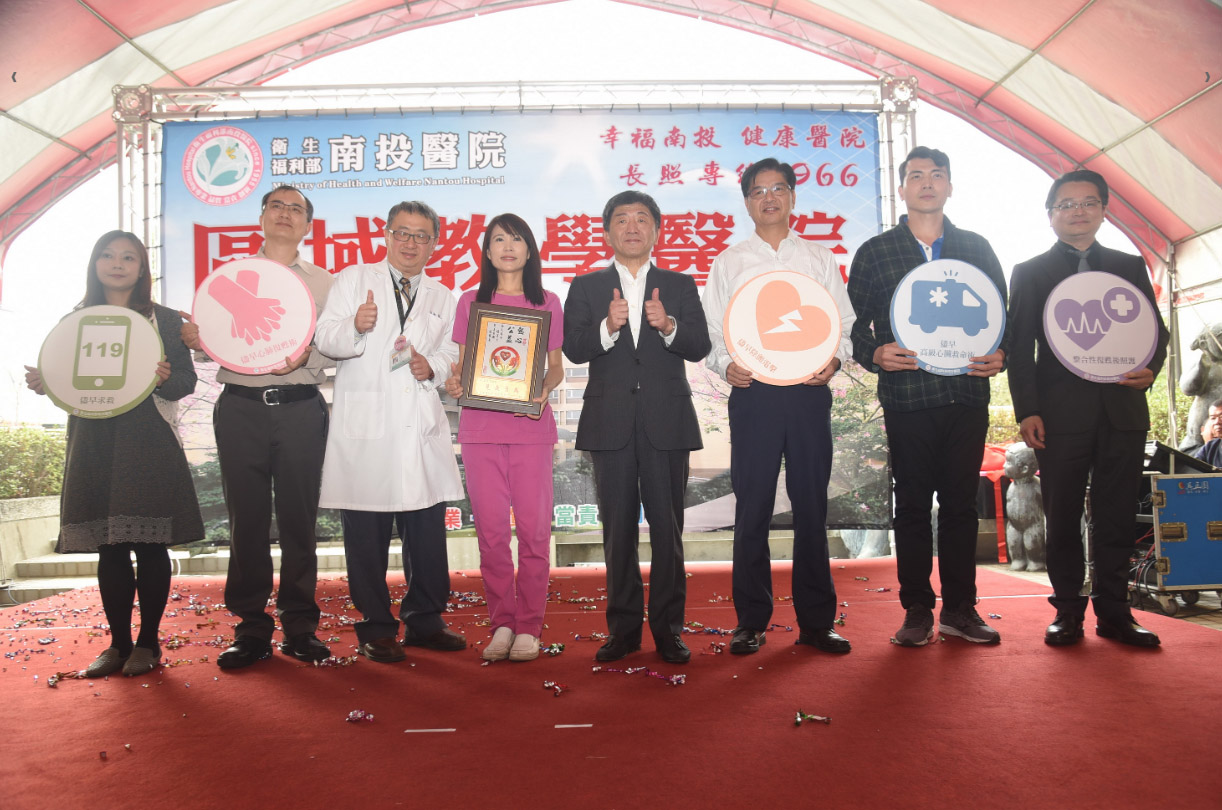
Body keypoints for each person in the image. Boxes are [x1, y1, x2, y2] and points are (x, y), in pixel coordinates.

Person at [846, 146, 1007, 647]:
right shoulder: (876, 252)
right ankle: (916, 608)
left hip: (965, 395)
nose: (927, 183)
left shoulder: (977, 247)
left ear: (950, 185)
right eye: (916, 175)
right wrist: (875, 352)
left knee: (960, 505)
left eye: (937, 174)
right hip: (907, 396)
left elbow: (1003, 318)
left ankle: (960, 609)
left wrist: (1001, 356)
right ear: (902, 188)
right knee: (912, 504)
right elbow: (851, 326)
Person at [24, 231, 204, 677]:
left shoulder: (164, 320)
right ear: (94, 264)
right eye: (107, 255)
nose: (117, 263)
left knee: (149, 544)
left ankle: (148, 643)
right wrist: (46, 383)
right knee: (109, 548)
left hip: (147, 441)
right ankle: (118, 645)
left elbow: (186, 381)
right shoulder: (77, 319)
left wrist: (164, 377)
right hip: (94, 442)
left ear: (143, 268)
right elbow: (68, 383)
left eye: (128, 257)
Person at [1008, 169, 1169, 647]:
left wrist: (1152, 368)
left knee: (1117, 513)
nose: (1077, 211)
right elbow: (1019, 349)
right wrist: (1027, 410)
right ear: (1050, 215)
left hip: (1122, 409)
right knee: (1059, 518)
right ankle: (1067, 612)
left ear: (1103, 210)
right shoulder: (1031, 271)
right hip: (1058, 417)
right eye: (1066, 204)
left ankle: (1116, 613)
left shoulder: (1128, 264)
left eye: (1088, 202)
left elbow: (1153, 332)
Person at [703, 158, 856, 656]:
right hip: (754, 396)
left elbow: (845, 325)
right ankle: (751, 620)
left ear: (792, 197)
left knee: (812, 507)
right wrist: (726, 364)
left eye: (778, 189)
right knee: (752, 509)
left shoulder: (818, 257)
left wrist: (833, 361)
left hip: (810, 392)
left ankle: (817, 621)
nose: (768, 198)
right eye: (758, 191)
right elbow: (710, 333)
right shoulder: (729, 262)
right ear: (746, 202)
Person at [181, 185, 336, 669]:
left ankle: (300, 627)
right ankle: (250, 629)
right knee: (245, 521)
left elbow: (341, 346)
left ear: (309, 225)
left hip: (301, 406)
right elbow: (213, 346)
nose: (286, 214)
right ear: (261, 217)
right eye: (277, 206)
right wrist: (195, 339)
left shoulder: (327, 285)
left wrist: (312, 352)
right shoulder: (230, 277)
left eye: (296, 209)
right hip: (241, 406)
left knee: (299, 521)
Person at [562, 190, 711, 665]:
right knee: (617, 531)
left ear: (656, 231)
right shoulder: (586, 286)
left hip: (666, 422)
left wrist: (668, 326)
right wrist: (608, 326)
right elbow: (574, 348)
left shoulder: (680, 283)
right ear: (607, 232)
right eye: (622, 219)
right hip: (611, 425)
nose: (632, 227)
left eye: (642, 219)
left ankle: (669, 632)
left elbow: (699, 345)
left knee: (669, 531)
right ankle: (623, 630)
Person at [314, 200, 465, 664]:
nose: (410, 243)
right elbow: (325, 338)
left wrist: (431, 368)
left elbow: (450, 353)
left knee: (426, 534)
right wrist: (356, 329)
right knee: (366, 536)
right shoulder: (353, 280)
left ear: (434, 244)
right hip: (368, 429)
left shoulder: (444, 295)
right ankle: (376, 628)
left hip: (418, 426)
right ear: (386, 235)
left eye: (421, 236)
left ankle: (424, 619)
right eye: (403, 232)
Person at [443, 214, 564, 662]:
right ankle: (502, 624)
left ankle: (529, 626)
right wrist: (456, 386)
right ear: (487, 251)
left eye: (516, 239)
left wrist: (542, 388)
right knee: (492, 534)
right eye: (498, 239)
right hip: (480, 431)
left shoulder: (548, 301)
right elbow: (463, 368)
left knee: (533, 532)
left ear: (529, 249)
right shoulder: (470, 302)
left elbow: (556, 367)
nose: (507, 246)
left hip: (531, 430)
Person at [1192, 398, 1222, 467]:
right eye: (1213, 418)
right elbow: (1193, 469)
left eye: (1221, 416)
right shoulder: (1209, 448)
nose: (1217, 422)